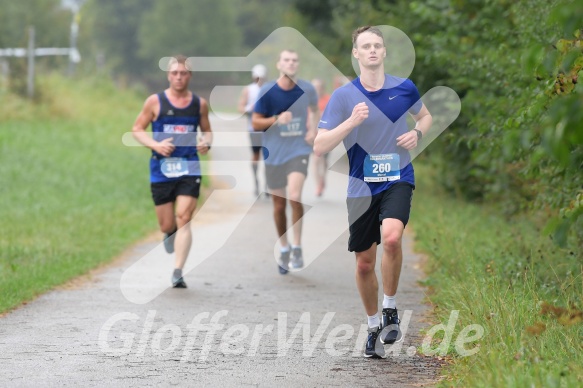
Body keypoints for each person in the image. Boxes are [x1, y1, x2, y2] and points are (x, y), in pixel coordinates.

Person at [313, 26, 432, 358]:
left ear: (384, 51)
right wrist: (350, 123)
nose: (372, 51)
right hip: (361, 187)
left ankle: (390, 307)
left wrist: (418, 135)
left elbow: (425, 117)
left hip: (398, 177)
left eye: (377, 45)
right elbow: (319, 146)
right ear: (356, 54)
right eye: (365, 46)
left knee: (392, 238)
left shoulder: (404, 88)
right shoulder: (343, 97)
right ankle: (372, 326)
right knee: (365, 263)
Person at [132, 55, 213, 288]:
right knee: (167, 225)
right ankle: (169, 234)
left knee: (184, 218)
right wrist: (156, 145)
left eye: (184, 73)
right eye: (175, 73)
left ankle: (178, 271)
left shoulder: (199, 104)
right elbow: (137, 129)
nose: (179, 77)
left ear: (190, 76)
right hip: (161, 170)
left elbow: (207, 131)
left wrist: (206, 143)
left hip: (189, 166)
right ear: (168, 75)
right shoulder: (155, 102)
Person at [252, 49, 319, 275]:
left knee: (295, 196)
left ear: (298, 64)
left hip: (298, 149)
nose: (291, 63)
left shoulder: (307, 89)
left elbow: (315, 111)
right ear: (279, 64)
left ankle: (298, 246)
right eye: (287, 60)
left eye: (295, 60)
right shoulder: (267, 90)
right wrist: (276, 119)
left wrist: (313, 130)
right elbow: (255, 123)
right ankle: (284, 247)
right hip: (274, 153)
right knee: (279, 206)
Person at [238, 64, 268, 197]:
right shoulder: (248, 90)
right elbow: (240, 107)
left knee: (268, 157)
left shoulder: (270, 89)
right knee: (256, 155)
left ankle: (267, 185)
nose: (259, 80)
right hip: (254, 128)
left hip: (268, 128)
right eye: (257, 77)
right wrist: (249, 109)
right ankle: (256, 182)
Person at [310, 78, 331, 197]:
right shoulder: (309, 100)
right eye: (314, 87)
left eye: (318, 87)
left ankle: (322, 180)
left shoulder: (328, 99)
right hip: (313, 134)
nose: (316, 90)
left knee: (324, 162)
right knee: (316, 160)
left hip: (327, 133)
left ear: (322, 88)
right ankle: (318, 185)